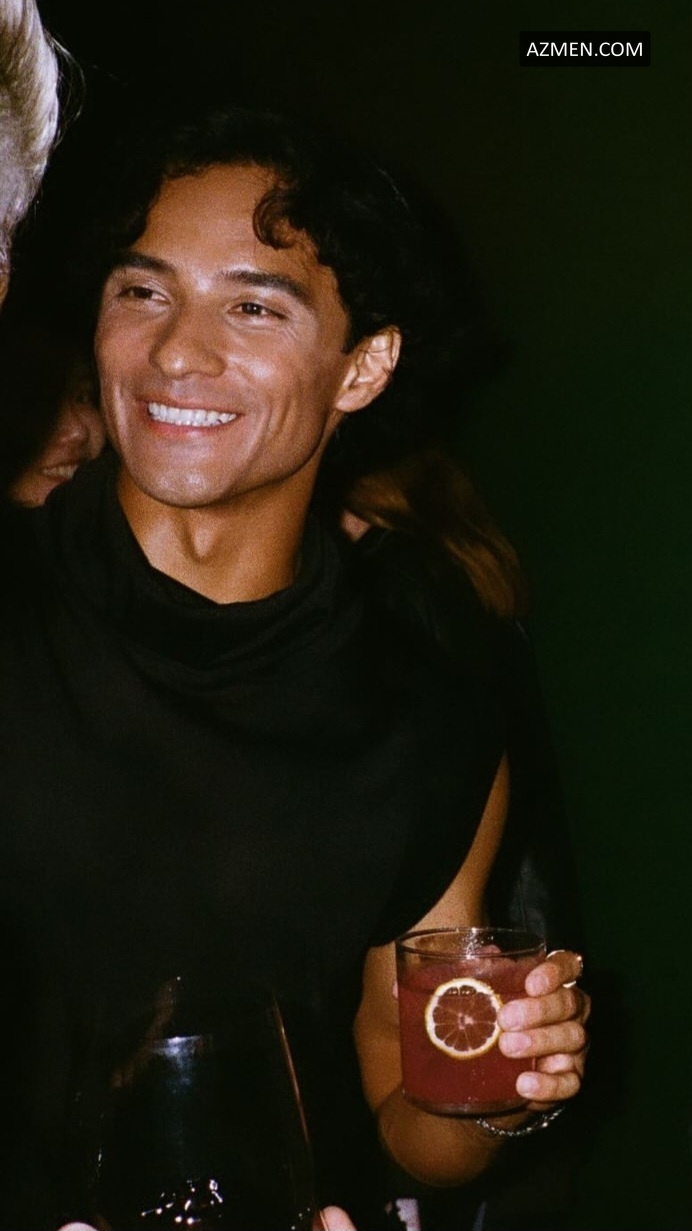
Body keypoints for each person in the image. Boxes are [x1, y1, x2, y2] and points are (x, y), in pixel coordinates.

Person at [0, 102, 588, 1229]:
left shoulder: (427, 713)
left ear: (362, 366)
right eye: (142, 292)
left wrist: (500, 1079)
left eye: (254, 306)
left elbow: (412, 1116)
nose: (178, 351)